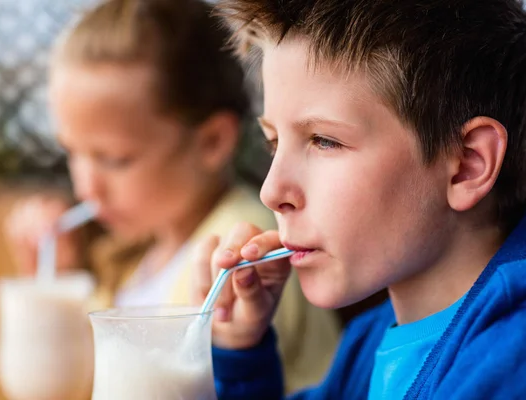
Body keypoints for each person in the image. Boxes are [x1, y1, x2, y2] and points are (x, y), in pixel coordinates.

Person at [192, 0, 526, 398]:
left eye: (324, 141)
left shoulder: (509, 363)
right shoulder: (366, 345)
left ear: (467, 165)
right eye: (273, 143)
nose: (271, 191)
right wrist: (240, 348)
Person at [4, 0, 340, 393]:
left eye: (114, 159)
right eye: (72, 153)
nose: (85, 188)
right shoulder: (142, 254)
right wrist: (56, 285)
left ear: (212, 142)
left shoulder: (239, 249)